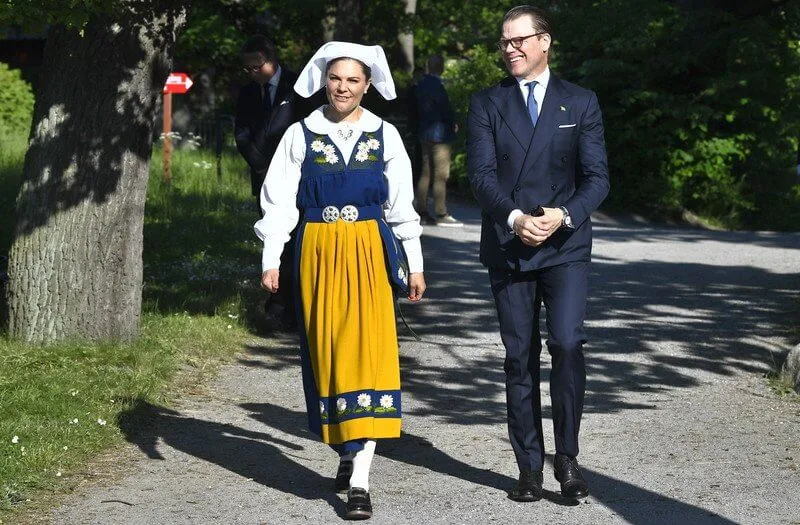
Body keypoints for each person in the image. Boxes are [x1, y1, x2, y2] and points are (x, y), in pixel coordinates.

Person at [254, 41, 426, 520]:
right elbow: (278, 201)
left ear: (367, 85)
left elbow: (402, 205)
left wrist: (414, 262)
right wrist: (271, 258)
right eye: (335, 78)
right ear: (323, 81)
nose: (343, 87)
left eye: (353, 80)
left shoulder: (385, 135)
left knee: (369, 355)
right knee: (329, 355)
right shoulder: (300, 134)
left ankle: (361, 481)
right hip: (317, 252)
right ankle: (347, 449)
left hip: (369, 249)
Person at [466, 5, 609, 502]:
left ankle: (566, 457)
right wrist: (514, 218)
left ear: (545, 41)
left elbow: (598, 178)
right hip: (510, 243)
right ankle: (528, 467)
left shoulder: (580, 101)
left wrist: (563, 215)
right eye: (504, 42)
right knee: (519, 357)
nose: (510, 49)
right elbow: (481, 176)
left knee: (567, 343)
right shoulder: (487, 102)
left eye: (519, 40)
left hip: (565, 244)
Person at [235, 34, 306, 330]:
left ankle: (298, 305)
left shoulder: (298, 86)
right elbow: (242, 135)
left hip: (298, 178)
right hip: (264, 176)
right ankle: (278, 305)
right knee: (274, 240)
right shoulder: (247, 93)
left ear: (271, 59)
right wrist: (262, 167)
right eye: (248, 68)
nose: (253, 73)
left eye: (257, 66)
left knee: (298, 242)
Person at [414, 55, 462, 227]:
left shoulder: (421, 84)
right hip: (440, 134)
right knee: (441, 175)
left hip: (424, 133)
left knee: (425, 173)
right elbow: (444, 107)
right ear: (441, 67)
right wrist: (453, 121)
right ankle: (441, 212)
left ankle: (421, 211)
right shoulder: (437, 85)